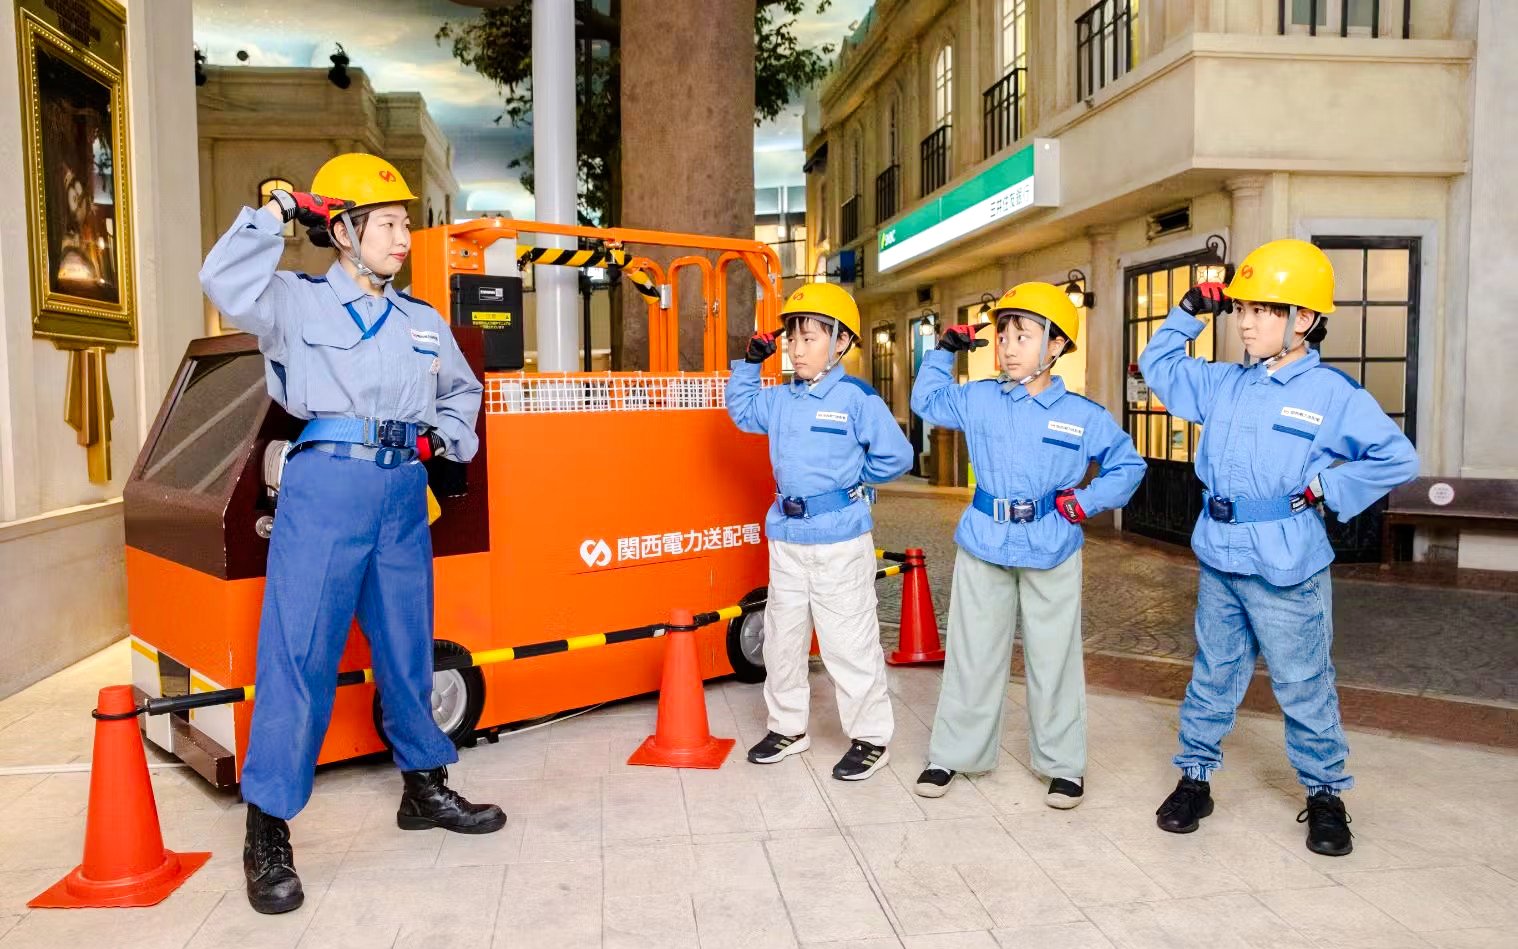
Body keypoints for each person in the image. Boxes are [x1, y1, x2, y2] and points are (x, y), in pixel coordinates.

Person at [200, 153, 503, 915]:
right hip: (326, 484)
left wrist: (446, 443)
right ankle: (267, 828)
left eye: (406, 222)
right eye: (389, 223)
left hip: (403, 492)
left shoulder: (422, 322)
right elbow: (224, 282)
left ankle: (423, 784)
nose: (404, 237)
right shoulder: (295, 305)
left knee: (407, 645)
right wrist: (274, 213)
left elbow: (464, 390)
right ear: (343, 231)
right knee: (298, 653)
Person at [1139, 239, 1418, 856]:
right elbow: (1157, 367)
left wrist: (1328, 486)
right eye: (1242, 309)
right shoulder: (1223, 383)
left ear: (1306, 320)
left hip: (1288, 560)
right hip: (1220, 551)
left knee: (1302, 680)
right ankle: (1197, 779)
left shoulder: (1332, 394)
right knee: (1213, 674)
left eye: (1264, 310)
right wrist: (1186, 312)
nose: (1245, 321)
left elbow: (1397, 456)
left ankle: (1325, 795)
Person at [909, 283, 1145, 807]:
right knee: (972, 654)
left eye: (1023, 335)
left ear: (1056, 345)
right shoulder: (978, 398)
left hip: (1051, 544)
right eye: (1002, 336)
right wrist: (943, 352)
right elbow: (924, 402)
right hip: (984, 542)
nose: (1008, 347)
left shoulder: (1082, 415)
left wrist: (1084, 503)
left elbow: (1129, 464)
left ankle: (1063, 765)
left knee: (1053, 658)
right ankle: (953, 755)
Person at [726, 282, 913, 780]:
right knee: (782, 641)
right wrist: (748, 363)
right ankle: (788, 727)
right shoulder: (780, 399)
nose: (795, 348)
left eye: (808, 338)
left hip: (840, 540)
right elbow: (741, 412)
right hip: (786, 538)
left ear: (841, 344)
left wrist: (853, 485)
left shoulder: (856, 398)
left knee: (848, 643)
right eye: (792, 338)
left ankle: (871, 738)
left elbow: (896, 455)